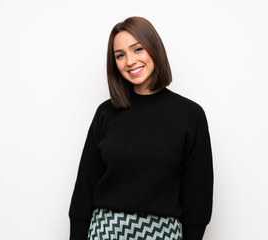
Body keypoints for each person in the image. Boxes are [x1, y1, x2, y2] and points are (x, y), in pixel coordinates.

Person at [69, 16, 213, 240]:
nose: (130, 61)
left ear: (154, 48)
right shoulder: (105, 114)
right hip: (106, 230)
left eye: (138, 49)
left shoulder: (190, 115)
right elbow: (84, 190)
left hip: (162, 233)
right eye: (120, 55)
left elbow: (198, 196)